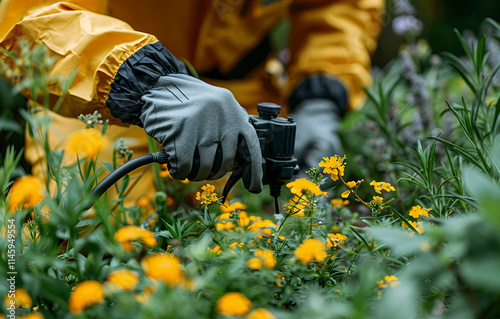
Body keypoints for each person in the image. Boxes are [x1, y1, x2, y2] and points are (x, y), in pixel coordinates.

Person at [0, 0, 384, 204]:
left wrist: (321, 94)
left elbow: (337, 6)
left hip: (244, 93)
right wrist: (152, 83)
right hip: (102, 92)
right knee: (100, 230)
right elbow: (28, 15)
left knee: (268, 223)